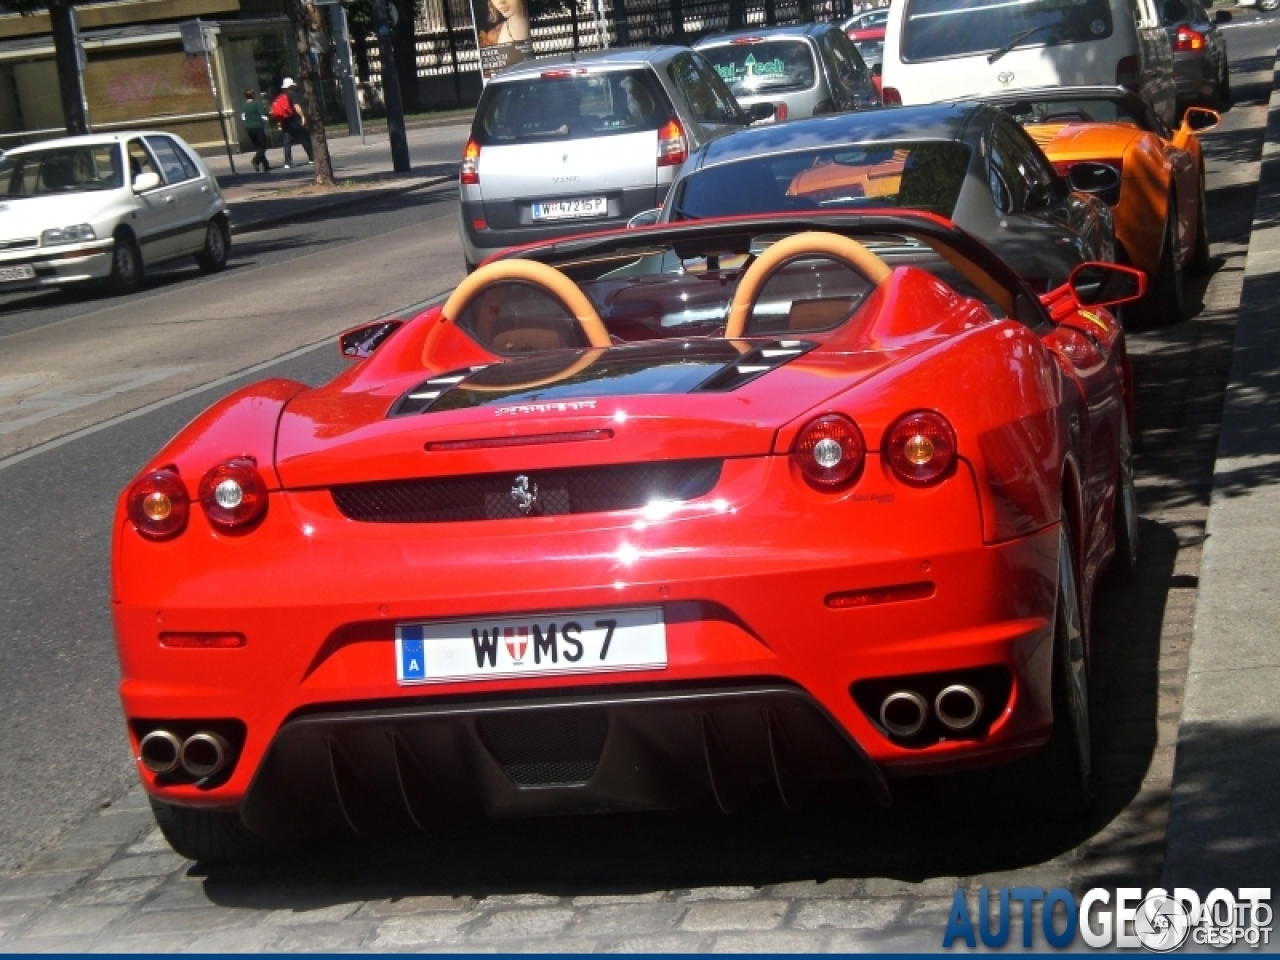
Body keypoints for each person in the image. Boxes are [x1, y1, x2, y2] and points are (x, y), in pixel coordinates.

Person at [274, 77, 313, 169]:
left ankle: (287, 162)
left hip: (285, 122)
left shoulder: (281, 97)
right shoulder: (292, 95)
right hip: (294, 120)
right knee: (304, 138)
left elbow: (279, 112)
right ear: (291, 86)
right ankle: (311, 157)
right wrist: (302, 116)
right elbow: (296, 107)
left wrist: (279, 124)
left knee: (287, 142)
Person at [241, 89, 271, 173]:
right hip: (258, 126)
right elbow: (262, 115)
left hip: (249, 128)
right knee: (263, 146)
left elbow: (243, 117)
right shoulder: (256, 104)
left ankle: (265, 164)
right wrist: (267, 120)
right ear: (253, 95)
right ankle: (255, 160)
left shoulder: (244, 106)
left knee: (258, 146)